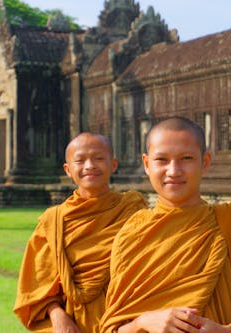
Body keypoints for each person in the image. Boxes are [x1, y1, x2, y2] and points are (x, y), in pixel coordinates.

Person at [100, 116, 231, 333]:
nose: (173, 170)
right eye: (162, 160)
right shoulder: (131, 235)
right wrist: (142, 323)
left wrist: (229, 331)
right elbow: (113, 327)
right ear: (147, 164)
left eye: (186, 158)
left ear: (205, 162)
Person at [14, 132, 147, 333]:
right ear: (68, 169)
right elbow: (37, 285)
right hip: (72, 325)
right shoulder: (54, 221)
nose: (90, 166)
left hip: (127, 321)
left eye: (98, 158)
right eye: (80, 160)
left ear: (113, 164)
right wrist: (57, 315)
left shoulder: (133, 210)